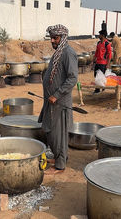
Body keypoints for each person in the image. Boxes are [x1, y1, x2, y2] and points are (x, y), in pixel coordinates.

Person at [38, 24, 78, 175]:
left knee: (58, 134)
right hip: (51, 102)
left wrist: (57, 94)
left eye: (55, 38)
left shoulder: (68, 53)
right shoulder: (59, 53)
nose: (52, 41)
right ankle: (59, 157)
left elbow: (72, 78)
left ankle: (60, 166)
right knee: (51, 132)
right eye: (51, 38)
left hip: (59, 102)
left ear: (63, 38)